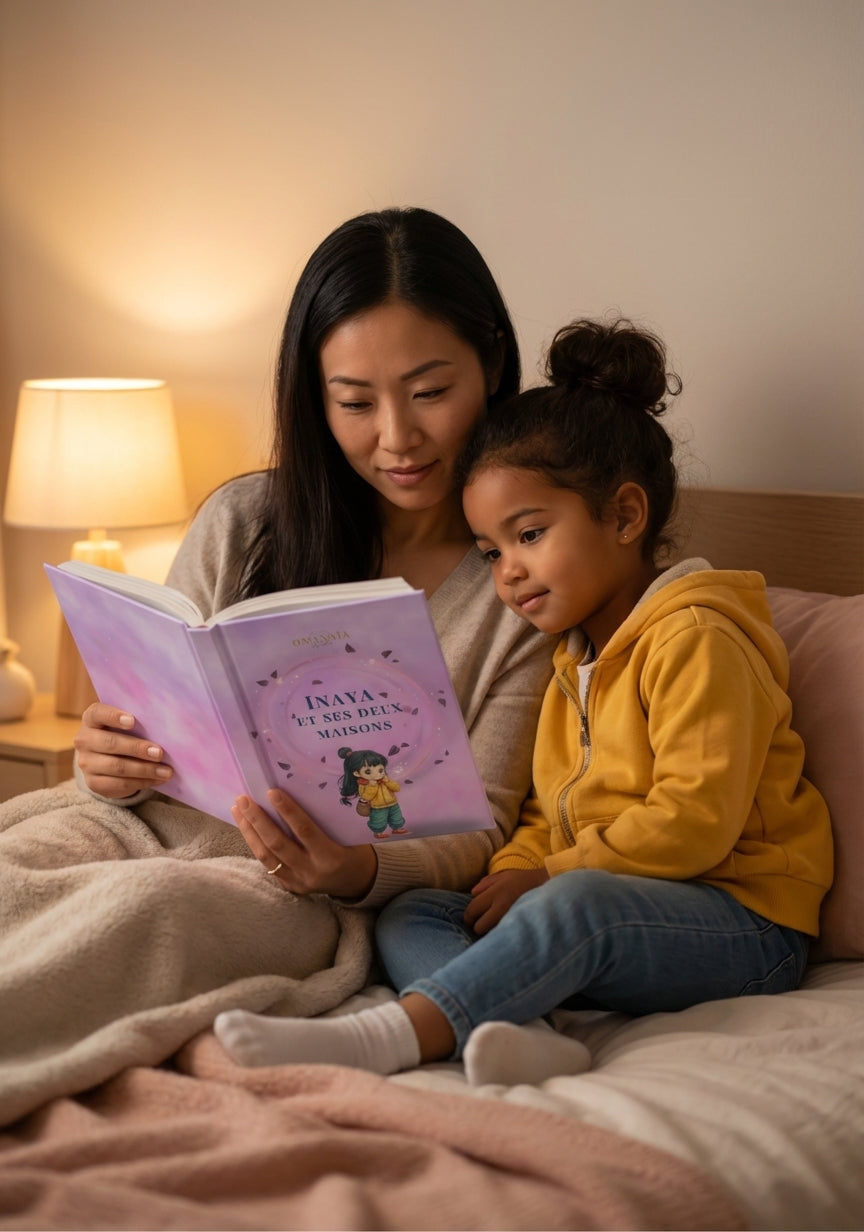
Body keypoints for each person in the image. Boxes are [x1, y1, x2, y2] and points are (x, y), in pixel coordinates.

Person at [214, 316, 833, 1087]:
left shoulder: (696, 639)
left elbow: (696, 821)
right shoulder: (570, 653)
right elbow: (547, 810)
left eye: (530, 534)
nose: (508, 572)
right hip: (601, 899)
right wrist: (507, 875)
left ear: (625, 516)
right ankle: (519, 1027)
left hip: (739, 920)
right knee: (419, 913)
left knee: (578, 909)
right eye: (491, 552)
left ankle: (396, 1034)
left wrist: (550, 880)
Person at [72, 205, 555, 908]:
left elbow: (480, 830)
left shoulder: (525, 585)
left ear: (493, 365)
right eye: (356, 403)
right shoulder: (243, 522)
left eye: (430, 393)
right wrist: (104, 763)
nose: (397, 437)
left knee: (126, 926)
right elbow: (140, 738)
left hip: (277, 893)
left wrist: (359, 872)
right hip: (126, 836)